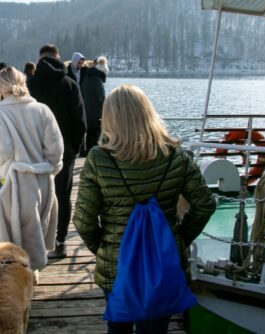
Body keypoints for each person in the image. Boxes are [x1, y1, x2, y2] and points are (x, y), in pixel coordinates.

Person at [73, 85, 215, 334]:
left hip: (116, 269)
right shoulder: (175, 156)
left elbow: (83, 220)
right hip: (163, 262)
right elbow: (205, 203)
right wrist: (178, 239)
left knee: (118, 328)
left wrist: (105, 249)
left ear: (109, 119)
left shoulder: (98, 159)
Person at [0, 67, 63, 271]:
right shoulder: (43, 110)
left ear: (0, 88)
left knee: (12, 236)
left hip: (12, 184)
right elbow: (56, 151)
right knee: (36, 229)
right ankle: (32, 271)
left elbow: (1, 151)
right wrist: (49, 170)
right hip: (42, 182)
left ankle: (16, 275)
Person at [27, 44, 86, 258]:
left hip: (34, 151)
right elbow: (80, 122)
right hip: (64, 151)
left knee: (34, 197)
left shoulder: (29, 85)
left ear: (40, 59)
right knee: (62, 196)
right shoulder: (70, 84)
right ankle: (60, 242)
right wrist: (74, 148)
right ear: (59, 58)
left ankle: (36, 242)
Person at [80, 56, 108, 155]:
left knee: (89, 134)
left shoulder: (86, 77)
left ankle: (87, 154)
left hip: (86, 112)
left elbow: (82, 93)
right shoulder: (97, 80)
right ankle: (95, 156)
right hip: (96, 113)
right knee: (96, 135)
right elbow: (101, 98)